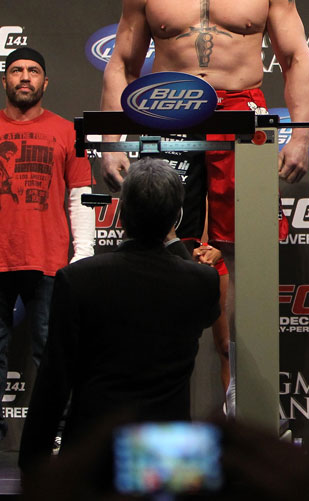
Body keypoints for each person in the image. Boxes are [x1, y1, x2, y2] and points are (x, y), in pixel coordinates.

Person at [97, 0, 309, 408]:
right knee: (162, 246)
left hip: (242, 114)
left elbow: (296, 56)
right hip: (168, 114)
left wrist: (300, 135)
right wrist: (112, 140)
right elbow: (122, 63)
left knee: (247, 251)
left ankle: (246, 387)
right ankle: (157, 385)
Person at [18, 158, 220, 472]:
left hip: (95, 447)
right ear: (176, 218)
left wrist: (31, 466)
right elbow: (203, 306)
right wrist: (173, 238)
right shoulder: (201, 282)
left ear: (121, 214)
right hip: (169, 452)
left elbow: (53, 381)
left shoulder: (78, 279)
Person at [0, 47, 95, 444]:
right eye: (17, 70)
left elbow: (80, 195)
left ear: (45, 82)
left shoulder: (67, 132)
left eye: (33, 71)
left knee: (52, 350)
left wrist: (84, 254)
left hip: (49, 259)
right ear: (5, 80)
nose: (25, 77)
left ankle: (60, 432)